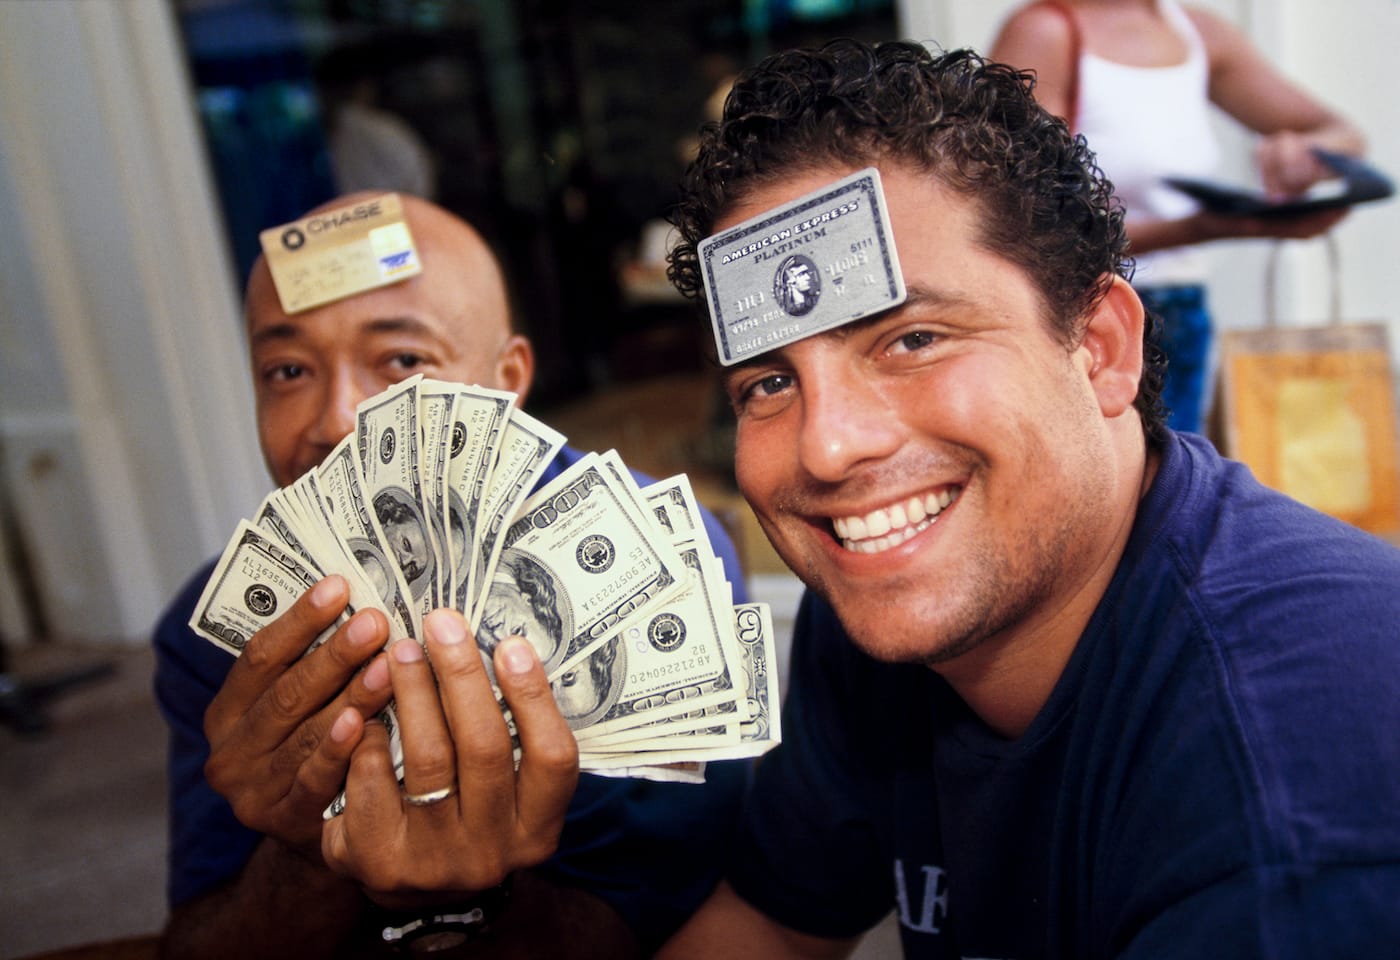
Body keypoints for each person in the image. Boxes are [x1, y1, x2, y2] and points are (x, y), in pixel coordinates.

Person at [646, 40, 1400, 957]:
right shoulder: (888, 602)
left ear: (1102, 350)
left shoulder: (1288, 812)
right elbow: (774, 927)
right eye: (769, 383)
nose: (828, 447)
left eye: (913, 339)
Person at [153, 192, 751, 958]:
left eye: (403, 361)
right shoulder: (215, 633)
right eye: (288, 369)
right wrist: (303, 850)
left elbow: (664, 925)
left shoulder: (651, 563)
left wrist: (463, 891)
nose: (336, 419)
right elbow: (200, 943)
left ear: (508, 378)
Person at [989, 0, 1366, 433]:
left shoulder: (1196, 32)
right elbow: (1022, 224)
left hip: (1182, 315)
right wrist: (1202, 228)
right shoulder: (1046, 33)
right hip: (1087, 318)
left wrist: (1307, 155)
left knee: (1172, 468)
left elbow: (1343, 135)